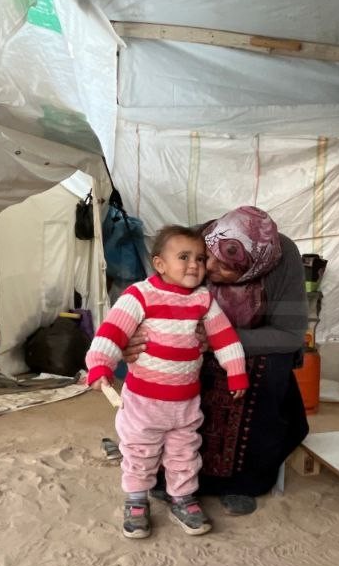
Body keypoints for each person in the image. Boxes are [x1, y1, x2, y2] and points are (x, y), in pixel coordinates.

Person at [125, 207, 310, 515]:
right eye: (205, 256)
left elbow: (290, 335)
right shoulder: (192, 239)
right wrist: (131, 338)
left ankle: (242, 481)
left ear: (254, 268)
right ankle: (165, 472)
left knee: (268, 370)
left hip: (250, 345)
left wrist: (221, 341)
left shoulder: (281, 257)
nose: (206, 267)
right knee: (159, 366)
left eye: (225, 268)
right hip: (188, 338)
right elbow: (152, 296)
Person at [86, 225, 248, 540]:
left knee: (185, 452)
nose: (194, 265)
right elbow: (113, 331)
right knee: (140, 451)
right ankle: (136, 500)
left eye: (200, 258)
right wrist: (100, 364)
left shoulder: (203, 300)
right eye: (183, 257)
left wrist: (236, 370)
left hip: (186, 401)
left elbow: (224, 336)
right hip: (143, 401)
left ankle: (182, 498)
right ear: (160, 264)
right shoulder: (140, 295)